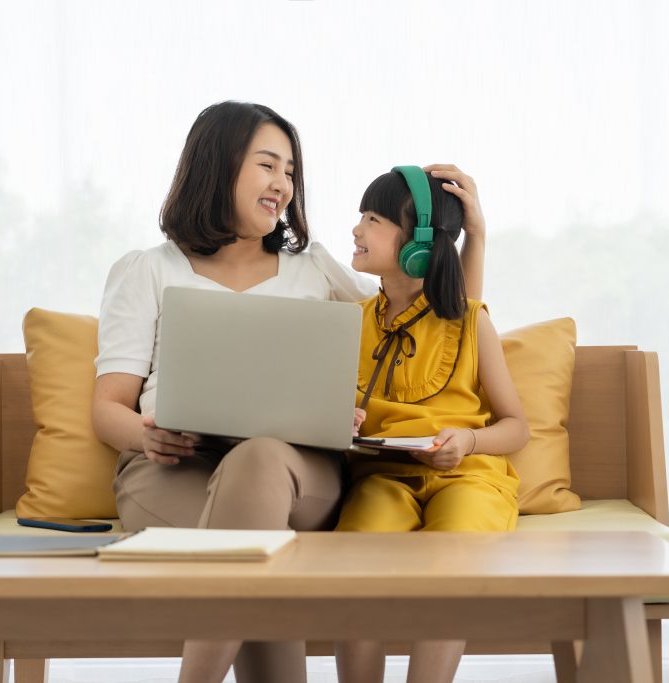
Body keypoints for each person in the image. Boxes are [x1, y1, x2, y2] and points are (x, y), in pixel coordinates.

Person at [90, 101, 487, 683]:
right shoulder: (147, 269)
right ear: (217, 167)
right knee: (255, 534)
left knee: (259, 460)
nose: (283, 185)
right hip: (174, 471)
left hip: (302, 473)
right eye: (268, 166)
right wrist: (148, 436)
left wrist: (471, 237)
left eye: (291, 172)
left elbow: (438, 320)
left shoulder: (315, 269)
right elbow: (107, 408)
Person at [333, 167, 530, 683]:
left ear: (419, 244)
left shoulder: (469, 319)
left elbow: (516, 427)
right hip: (383, 476)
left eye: (372, 219)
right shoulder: (345, 323)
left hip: (469, 475)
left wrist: (468, 440)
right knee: (356, 563)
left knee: (456, 555)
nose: (356, 229)